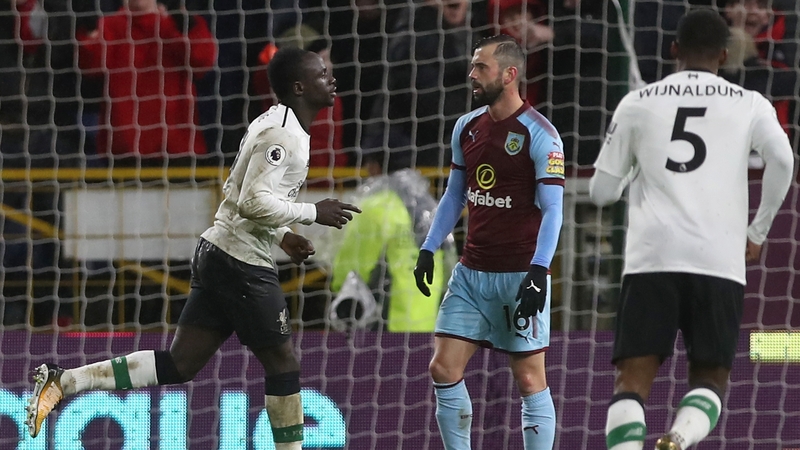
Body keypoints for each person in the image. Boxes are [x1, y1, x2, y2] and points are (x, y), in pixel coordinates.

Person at [25, 47, 362, 450]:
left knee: (180, 364)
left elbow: (234, 194)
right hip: (241, 263)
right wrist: (312, 211)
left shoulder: (274, 123)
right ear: (299, 87)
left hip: (221, 253)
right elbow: (253, 200)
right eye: (323, 73)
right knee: (283, 362)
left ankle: (65, 381)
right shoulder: (282, 136)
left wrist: (282, 234)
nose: (332, 79)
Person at [589, 9, 793, 450]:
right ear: (725, 54)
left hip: (652, 259)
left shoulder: (639, 101)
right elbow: (783, 160)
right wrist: (757, 231)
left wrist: (630, 172)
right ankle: (678, 440)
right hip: (718, 260)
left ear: (674, 49)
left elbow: (602, 193)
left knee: (631, 380)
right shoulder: (750, 103)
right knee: (710, 377)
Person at [414, 34, 565, 450]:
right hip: (471, 274)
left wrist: (538, 271)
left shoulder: (542, 135)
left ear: (509, 74)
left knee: (530, 377)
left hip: (519, 275)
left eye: (481, 67)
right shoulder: (466, 127)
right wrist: (428, 248)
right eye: (473, 65)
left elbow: (554, 209)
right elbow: (454, 195)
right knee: (443, 368)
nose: (472, 74)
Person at [76, 0, 216, 164]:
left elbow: (202, 60)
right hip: (124, 151)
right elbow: (91, 65)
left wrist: (185, 22)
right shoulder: (108, 26)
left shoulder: (175, 24)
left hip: (177, 148)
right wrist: (89, 28)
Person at [330, 156, 456, 332]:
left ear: (374, 167)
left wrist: (337, 288)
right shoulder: (428, 205)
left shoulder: (376, 206)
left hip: (387, 324)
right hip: (427, 323)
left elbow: (352, 267)